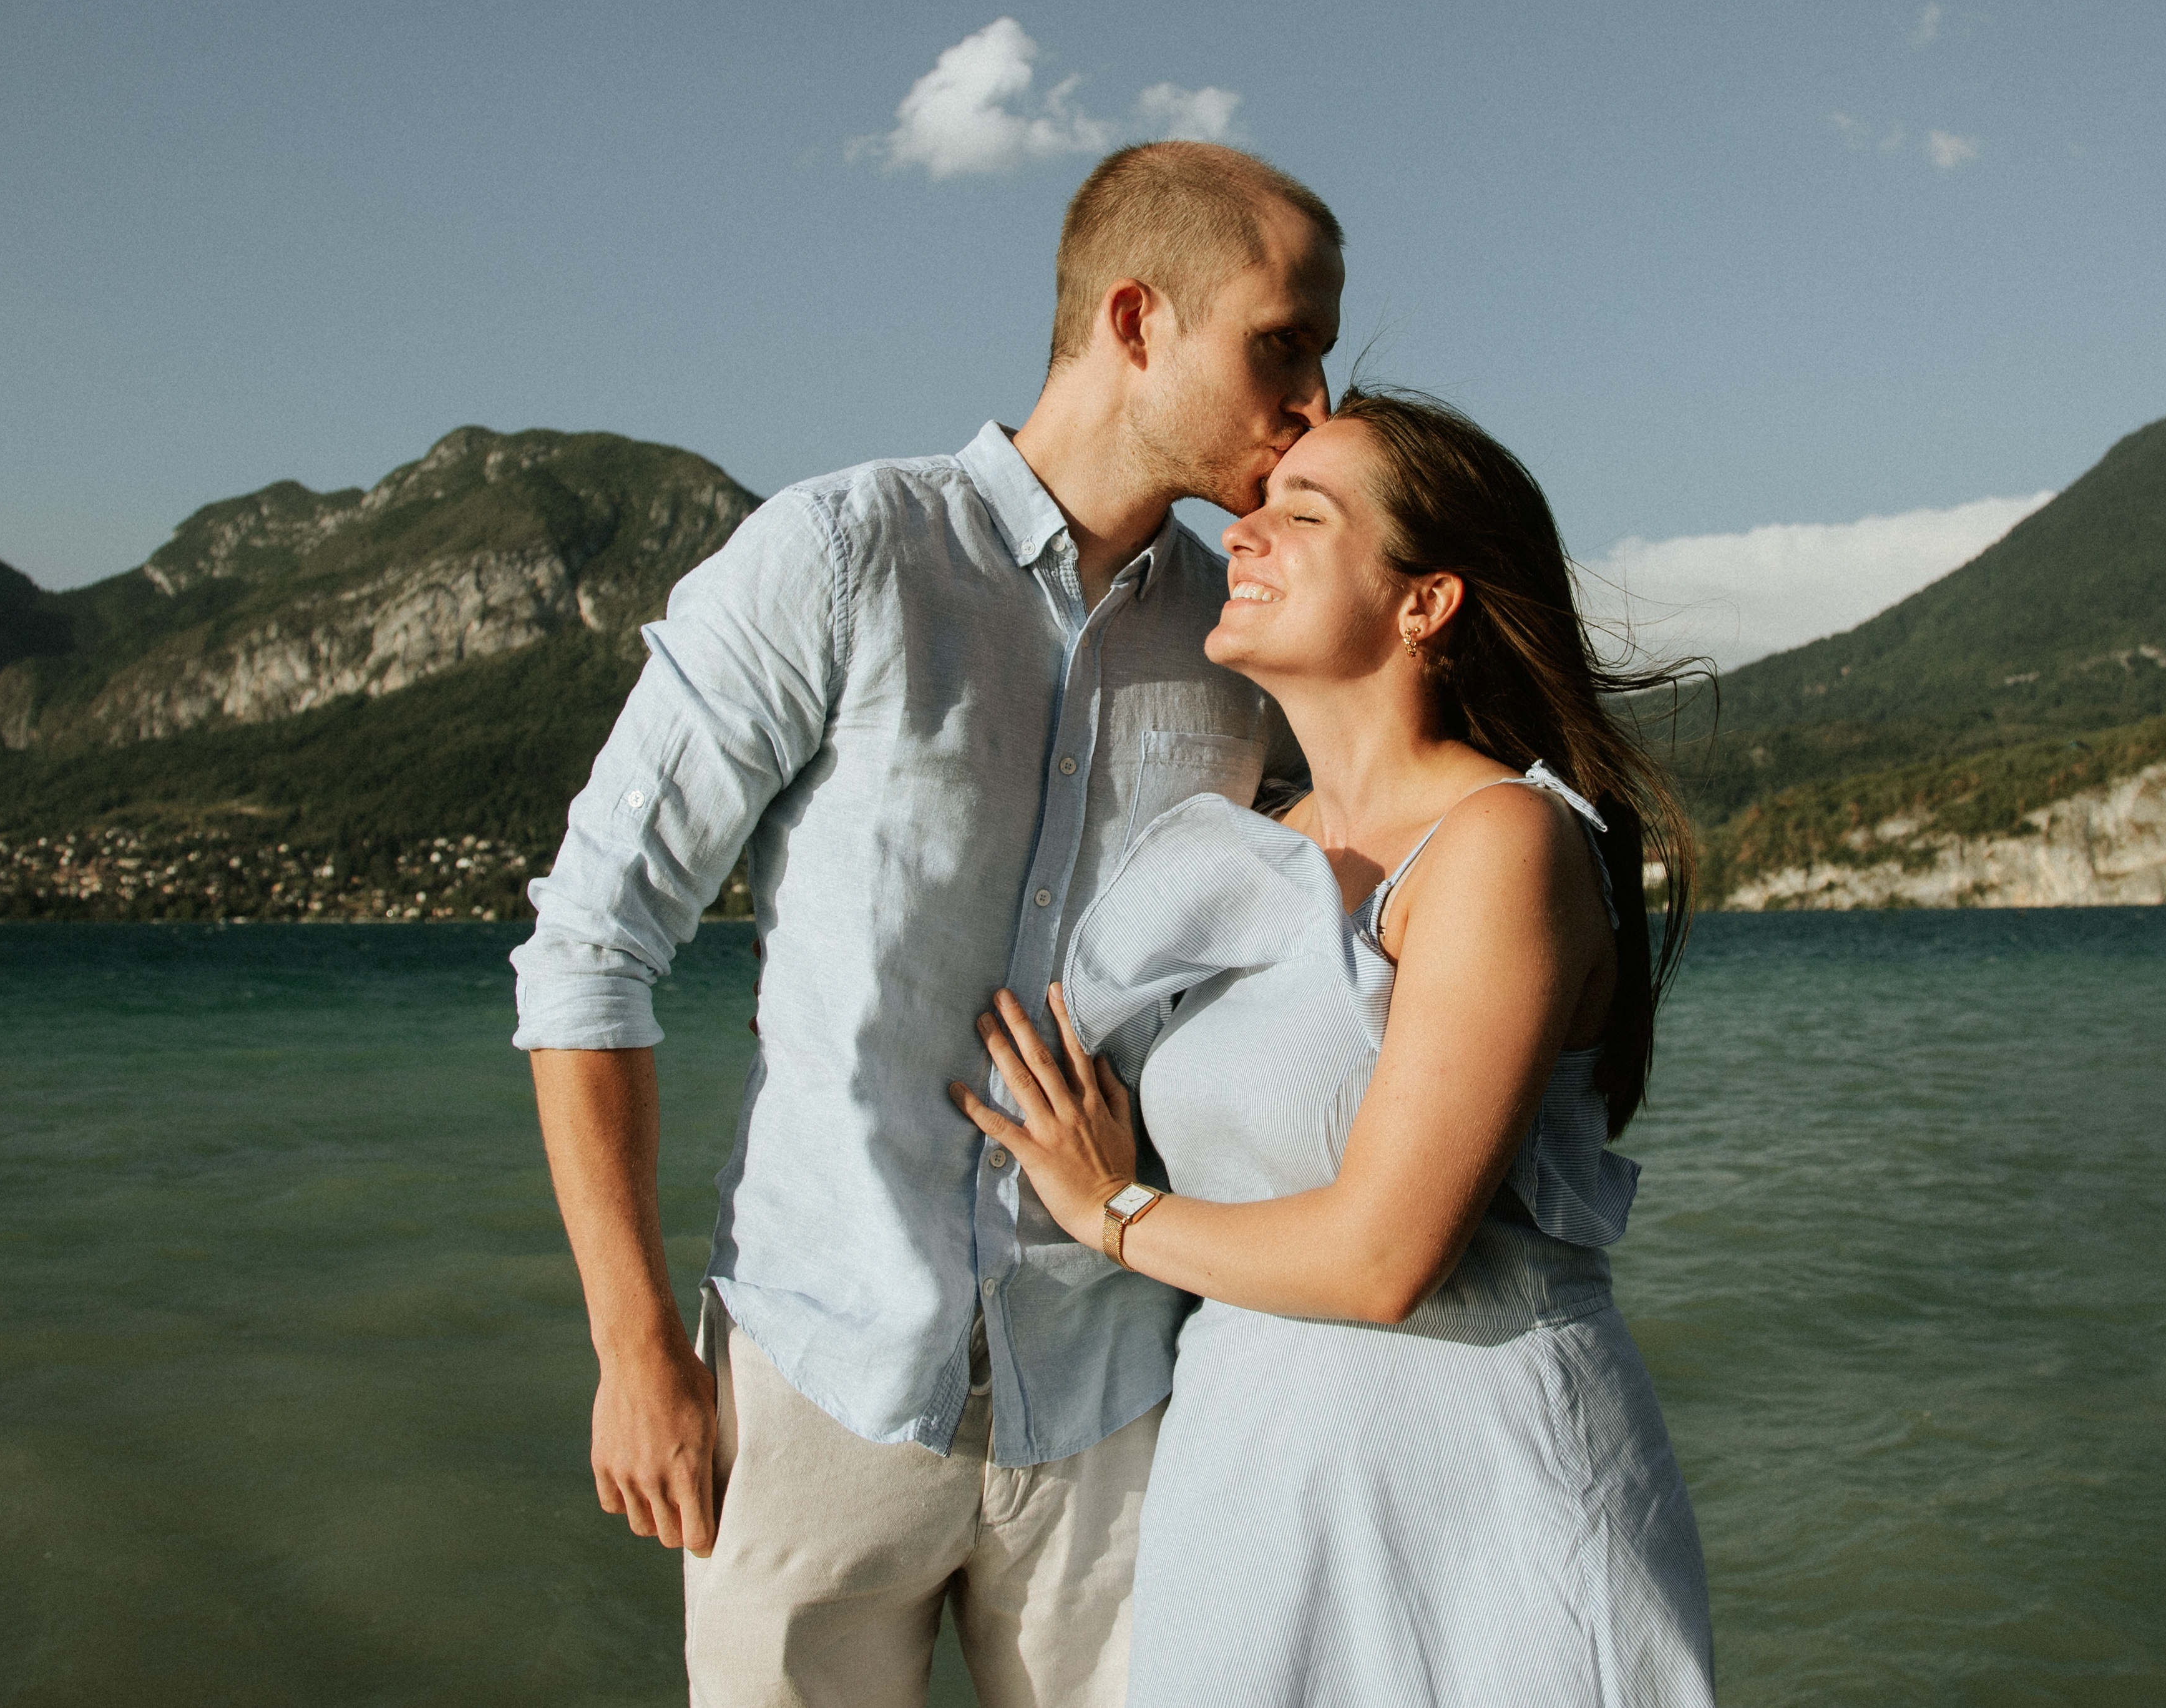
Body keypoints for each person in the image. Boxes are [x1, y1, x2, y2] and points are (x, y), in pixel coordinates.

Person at [512, 140, 1344, 1708]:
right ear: (1136, 320)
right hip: (816, 1396)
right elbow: (590, 948)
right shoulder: (840, 556)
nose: (1315, 400)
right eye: (1280, 344)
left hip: (1117, 1409)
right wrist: (635, 1351)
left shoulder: (1246, 636)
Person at [957, 389, 1717, 1707]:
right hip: (1250, 1479)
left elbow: (1385, 1257)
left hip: (1484, 1497)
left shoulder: (1501, 840)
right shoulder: (1237, 844)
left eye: (1302, 515)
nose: (1241, 535)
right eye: (1254, 508)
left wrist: (1112, 1210)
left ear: (1426, 602)